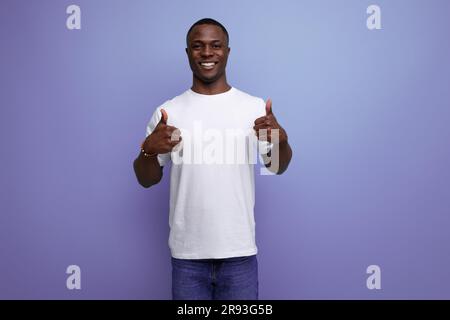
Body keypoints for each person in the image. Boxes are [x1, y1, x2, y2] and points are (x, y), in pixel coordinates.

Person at [133, 18, 292, 300]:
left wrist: (282, 141)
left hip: (239, 253)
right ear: (188, 53)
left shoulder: (254, 108)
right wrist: (148, 150)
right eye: (198, 46)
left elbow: (276, 167)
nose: (207, 53)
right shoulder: (168, 112)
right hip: (187, 256)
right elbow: (146, 179)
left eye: (215, 46)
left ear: (228, 52)